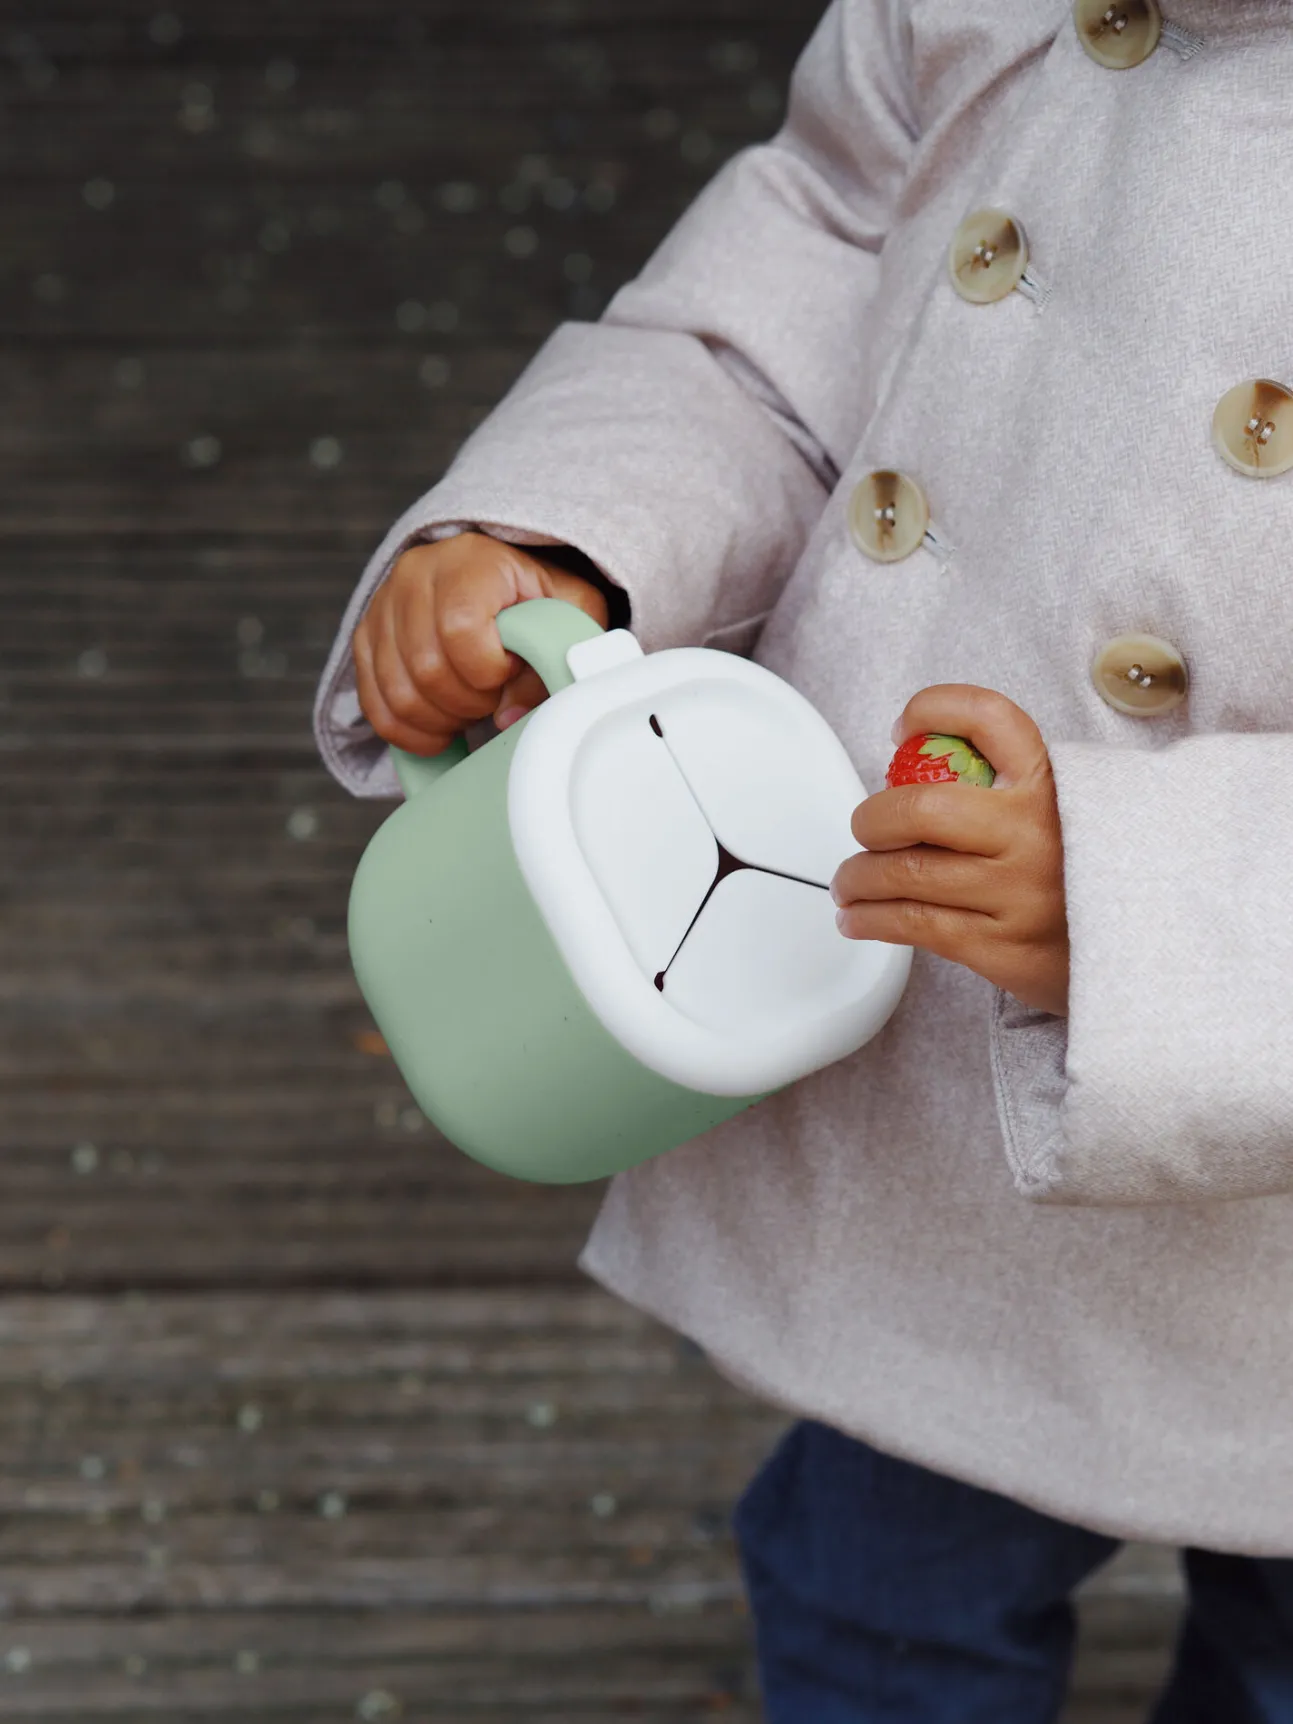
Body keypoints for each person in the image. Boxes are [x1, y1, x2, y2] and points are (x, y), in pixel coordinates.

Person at [314, 2, 1293, 1716]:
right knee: (882, 1608)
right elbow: (816, 271)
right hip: (931, 1126)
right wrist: (567, 533)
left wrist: (1146, 908)